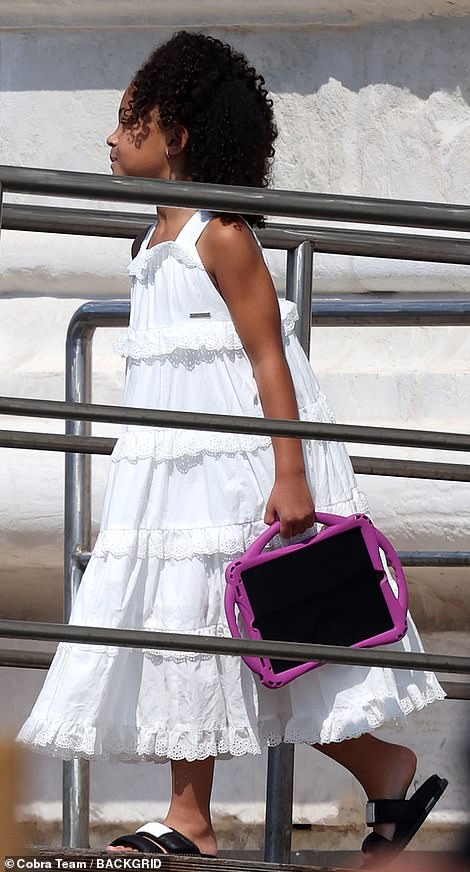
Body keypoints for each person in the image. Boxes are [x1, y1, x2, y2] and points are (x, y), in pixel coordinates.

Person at [17, 31, 448, 865]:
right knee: (203, 636)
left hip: (236, 465)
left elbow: (268, 356)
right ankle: (366, 776)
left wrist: (290, 470)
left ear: (174, 135)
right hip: (174, 467)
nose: (109, 139)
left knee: (246, 636)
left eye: (128, 122)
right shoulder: (148, 243)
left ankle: (198, 816)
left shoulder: (222, 236)